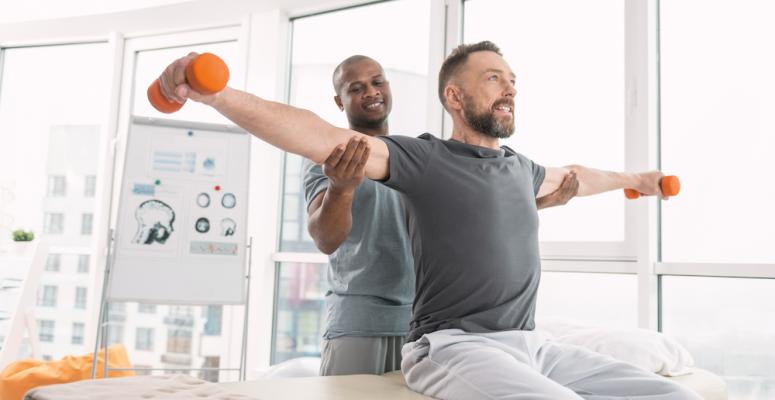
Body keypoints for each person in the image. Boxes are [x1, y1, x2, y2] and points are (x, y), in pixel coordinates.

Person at [157, 41, 700, 399]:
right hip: (444, 341)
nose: (509, 87)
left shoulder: (518, 168)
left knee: (671, 394)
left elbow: (575, 175)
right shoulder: (423, 157)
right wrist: (213, 92)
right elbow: (314, 135)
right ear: (455, 96)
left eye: (512, 79)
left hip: (527, 341)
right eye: (494, 78)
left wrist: (639, 180)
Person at [305, 55, 579, 376]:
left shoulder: (416, 157)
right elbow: (326, 239)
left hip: (425, 327)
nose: (371, 91)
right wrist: (341, 187)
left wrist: (541, 203)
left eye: (377, 82)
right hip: (360, 322)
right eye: (357, 87)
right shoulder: (328, 159)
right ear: (340, 101)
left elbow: (463, 218)